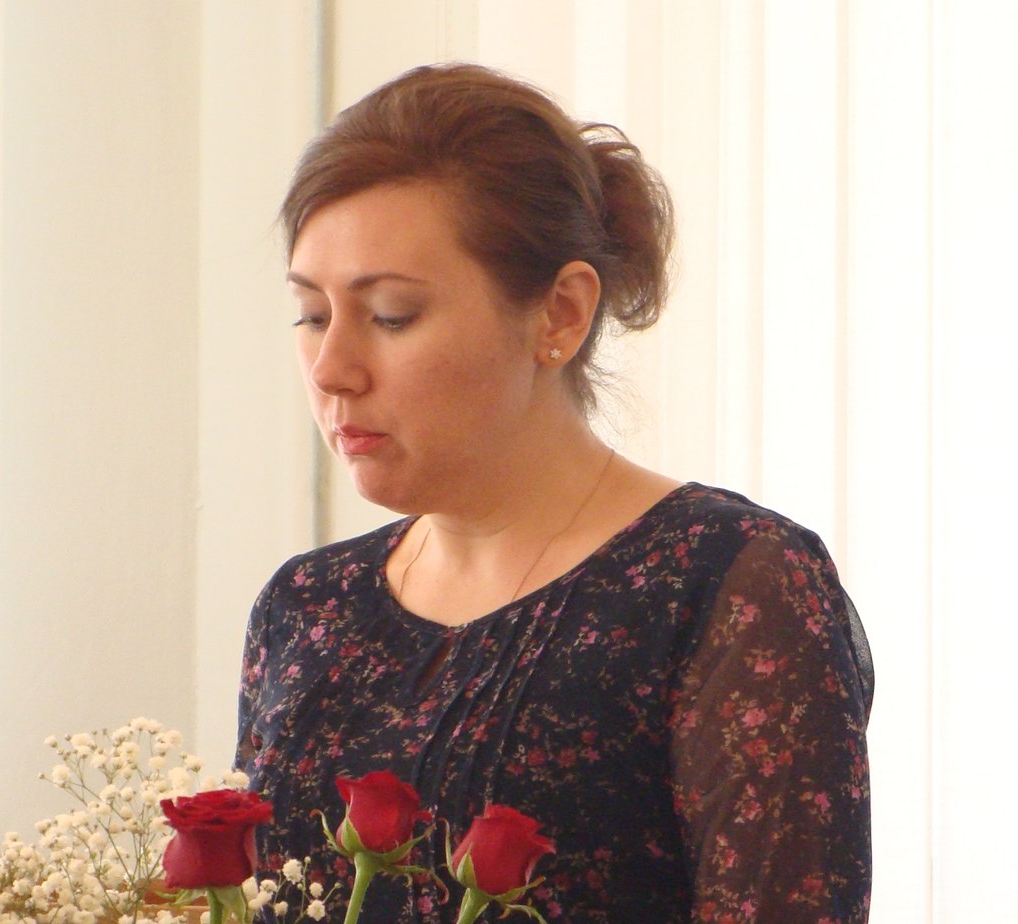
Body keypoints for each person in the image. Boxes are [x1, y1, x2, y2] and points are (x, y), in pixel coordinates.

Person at [236, 63, 873, 923]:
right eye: (312, 315)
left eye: (390, 315)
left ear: (561, 314)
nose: (331, 369)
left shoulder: (725, 584)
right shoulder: (306, 606)